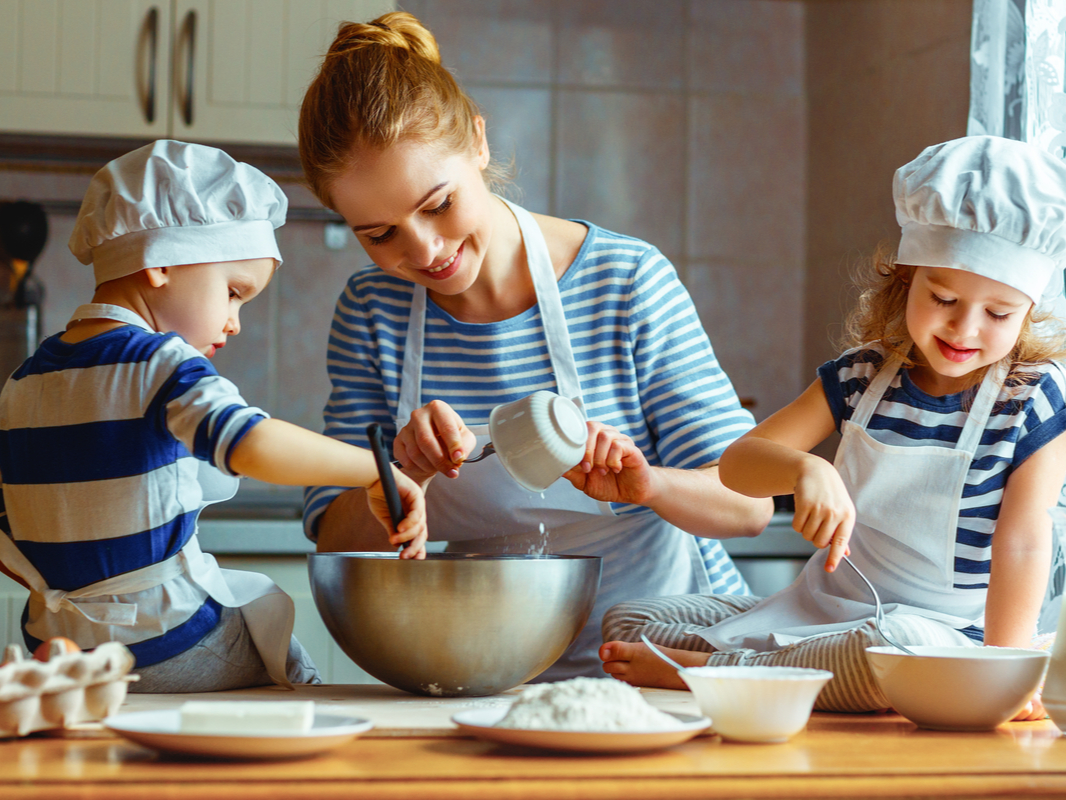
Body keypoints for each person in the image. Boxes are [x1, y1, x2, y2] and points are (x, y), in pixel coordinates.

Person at [295, 12, 775, 681]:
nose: (424, 251)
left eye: (437, 204)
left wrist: (647, 485)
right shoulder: (371, 312)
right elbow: (333, 536)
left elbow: (751, 505)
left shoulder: (626, 282)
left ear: (479, 144)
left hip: (660, 664)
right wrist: (401, 472)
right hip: (479, 672)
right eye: (380, 235)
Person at [599, 136, 1066, 719]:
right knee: (633, 619)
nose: (965, 328)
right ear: (906, 280)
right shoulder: (862, 375)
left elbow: (1025, 541)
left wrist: (1007, 672)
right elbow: (737, 464)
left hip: (940, 636)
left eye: (999, 313)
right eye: (943, 297)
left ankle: (709, 674)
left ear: (1028, 311)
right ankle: (769, 669)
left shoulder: (1033, 398)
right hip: (827, 612)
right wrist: (804, 467)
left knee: (894, 656)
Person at [0, 140, 427, 693]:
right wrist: (377, 469)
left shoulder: (22, 381)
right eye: (233, 292)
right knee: (288, 669)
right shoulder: (161, 362)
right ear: (159, 263)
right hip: (167, 643)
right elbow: (249, 442)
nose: (235, 322)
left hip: (57, 654)